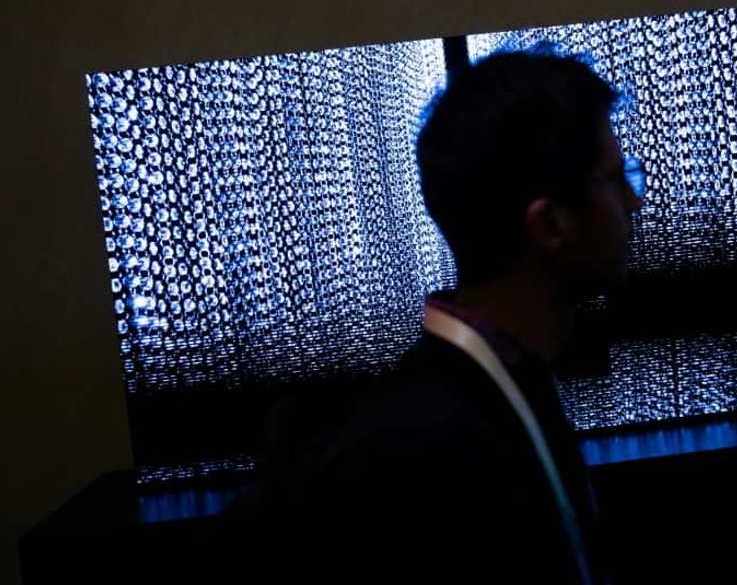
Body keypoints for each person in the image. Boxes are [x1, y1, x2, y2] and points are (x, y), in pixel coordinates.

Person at [271, 44, 644, 583]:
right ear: (550, 226)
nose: (633, 204)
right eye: (615, 180)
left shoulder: (497, 382)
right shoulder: (423, 451)